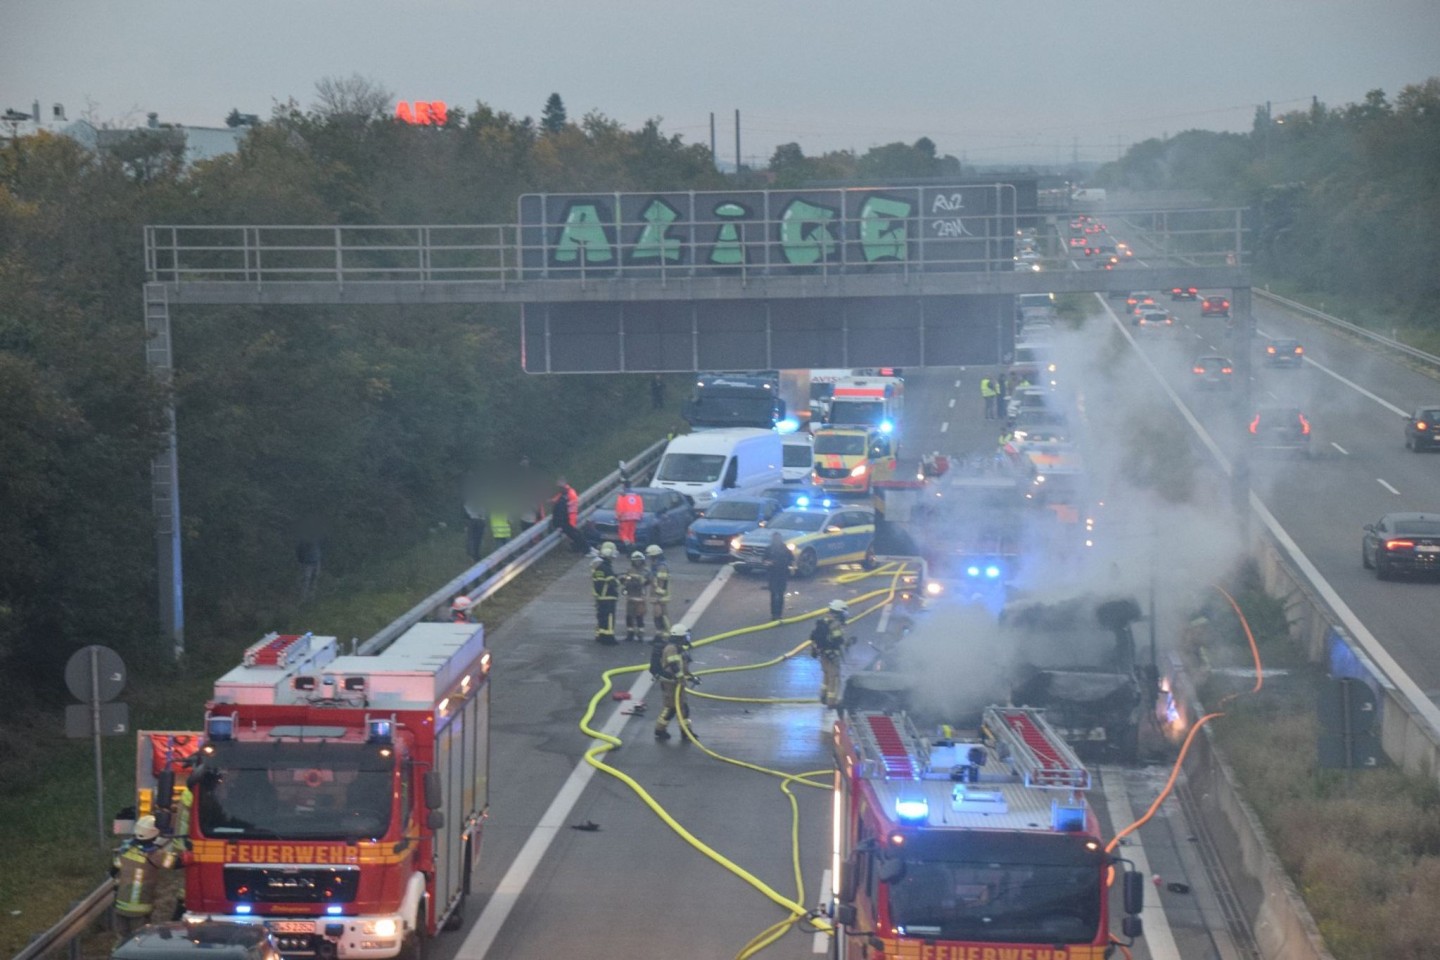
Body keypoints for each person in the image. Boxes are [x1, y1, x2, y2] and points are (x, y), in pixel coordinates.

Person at [111, 815, 174, 939]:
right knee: (139, 940)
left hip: (120, 906)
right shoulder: (154, 854)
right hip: (140, 909)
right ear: (154, 833)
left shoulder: (125, 849)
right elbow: (174, 863)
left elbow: (113, 870)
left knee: (121, 941)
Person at [653, 624, 697, 740]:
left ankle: (685, 731)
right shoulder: (671, 649)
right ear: (680, 637)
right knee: (671, 708)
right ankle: (660, 730)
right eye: (685, 636)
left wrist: (691, 677)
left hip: (677, 683)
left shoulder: (680, 649)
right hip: (670, 683)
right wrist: (681, 678)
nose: (687, 638)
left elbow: (683, 667)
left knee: (682, 707)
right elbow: (674, 666)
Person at [809, 599, 850, 707]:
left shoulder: (824, 621)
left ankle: (823, 696)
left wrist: (814, 649)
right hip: (832, 655)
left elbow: (814, 637)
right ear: (839, 612)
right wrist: (848, 643)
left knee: (826, 675)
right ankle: (832, 702)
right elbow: (837, 640)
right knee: (834, 678)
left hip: (823, 654)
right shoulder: (836, 624)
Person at [591, 543, 620, 645]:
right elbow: (613, 583)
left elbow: (599, 582)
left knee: (602, 617)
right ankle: (609, 637)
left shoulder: (600, 567)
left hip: (601, 597)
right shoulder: (606, 568)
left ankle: (602, 635)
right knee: (609, 617)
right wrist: (621, 580)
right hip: (609, 597)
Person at [621, 550, 650, 642]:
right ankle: (630, 633)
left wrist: (637, 580)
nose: (637, 562)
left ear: (642, 561)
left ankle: (640, 634)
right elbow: (626, 581)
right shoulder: (629, 570)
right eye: (635, 560)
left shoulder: (646, 571)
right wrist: (625, 582)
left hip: (640, 595)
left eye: (639, 560)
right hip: (630, 595)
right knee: (629, 615)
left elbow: (646, 581)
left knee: (639, 615)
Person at [763, 531, 791, 621]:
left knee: (780, 594)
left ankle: (779, 613)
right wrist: (767, 563)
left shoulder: (785, 549)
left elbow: (791, 559)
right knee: (774, 594)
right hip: (772, 574)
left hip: (782, 574)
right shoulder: (769, 549)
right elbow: (764, 560)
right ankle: (774, 614)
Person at [645, 544, 671, 641]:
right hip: (657, 594)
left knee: (660, 614)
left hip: (660, 595)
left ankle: (665, 635)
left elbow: (662, 581)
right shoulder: (655, 566)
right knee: (659, 614)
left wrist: (659, 593)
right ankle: (660, 635)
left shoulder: (661, 567)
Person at [551, 479, 584, 552]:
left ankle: (578, 547)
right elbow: (557, 499)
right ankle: (577, 546)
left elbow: (569, 508)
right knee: (572, 534)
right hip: (567, 517)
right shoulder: (565, 492)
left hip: (570, 518)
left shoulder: (570, 495)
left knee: (573, 534)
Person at [614, 483, 645, 553]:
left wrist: (617, 516)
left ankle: (628, 547)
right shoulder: (636, 495)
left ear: (623, 487)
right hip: (635, 517)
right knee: (631, 534)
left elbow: (620, 507)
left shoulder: (622, 495)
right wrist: (640, 515)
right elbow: (640, 506)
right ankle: (633, 546)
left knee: (623, 534)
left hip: (625, 518)